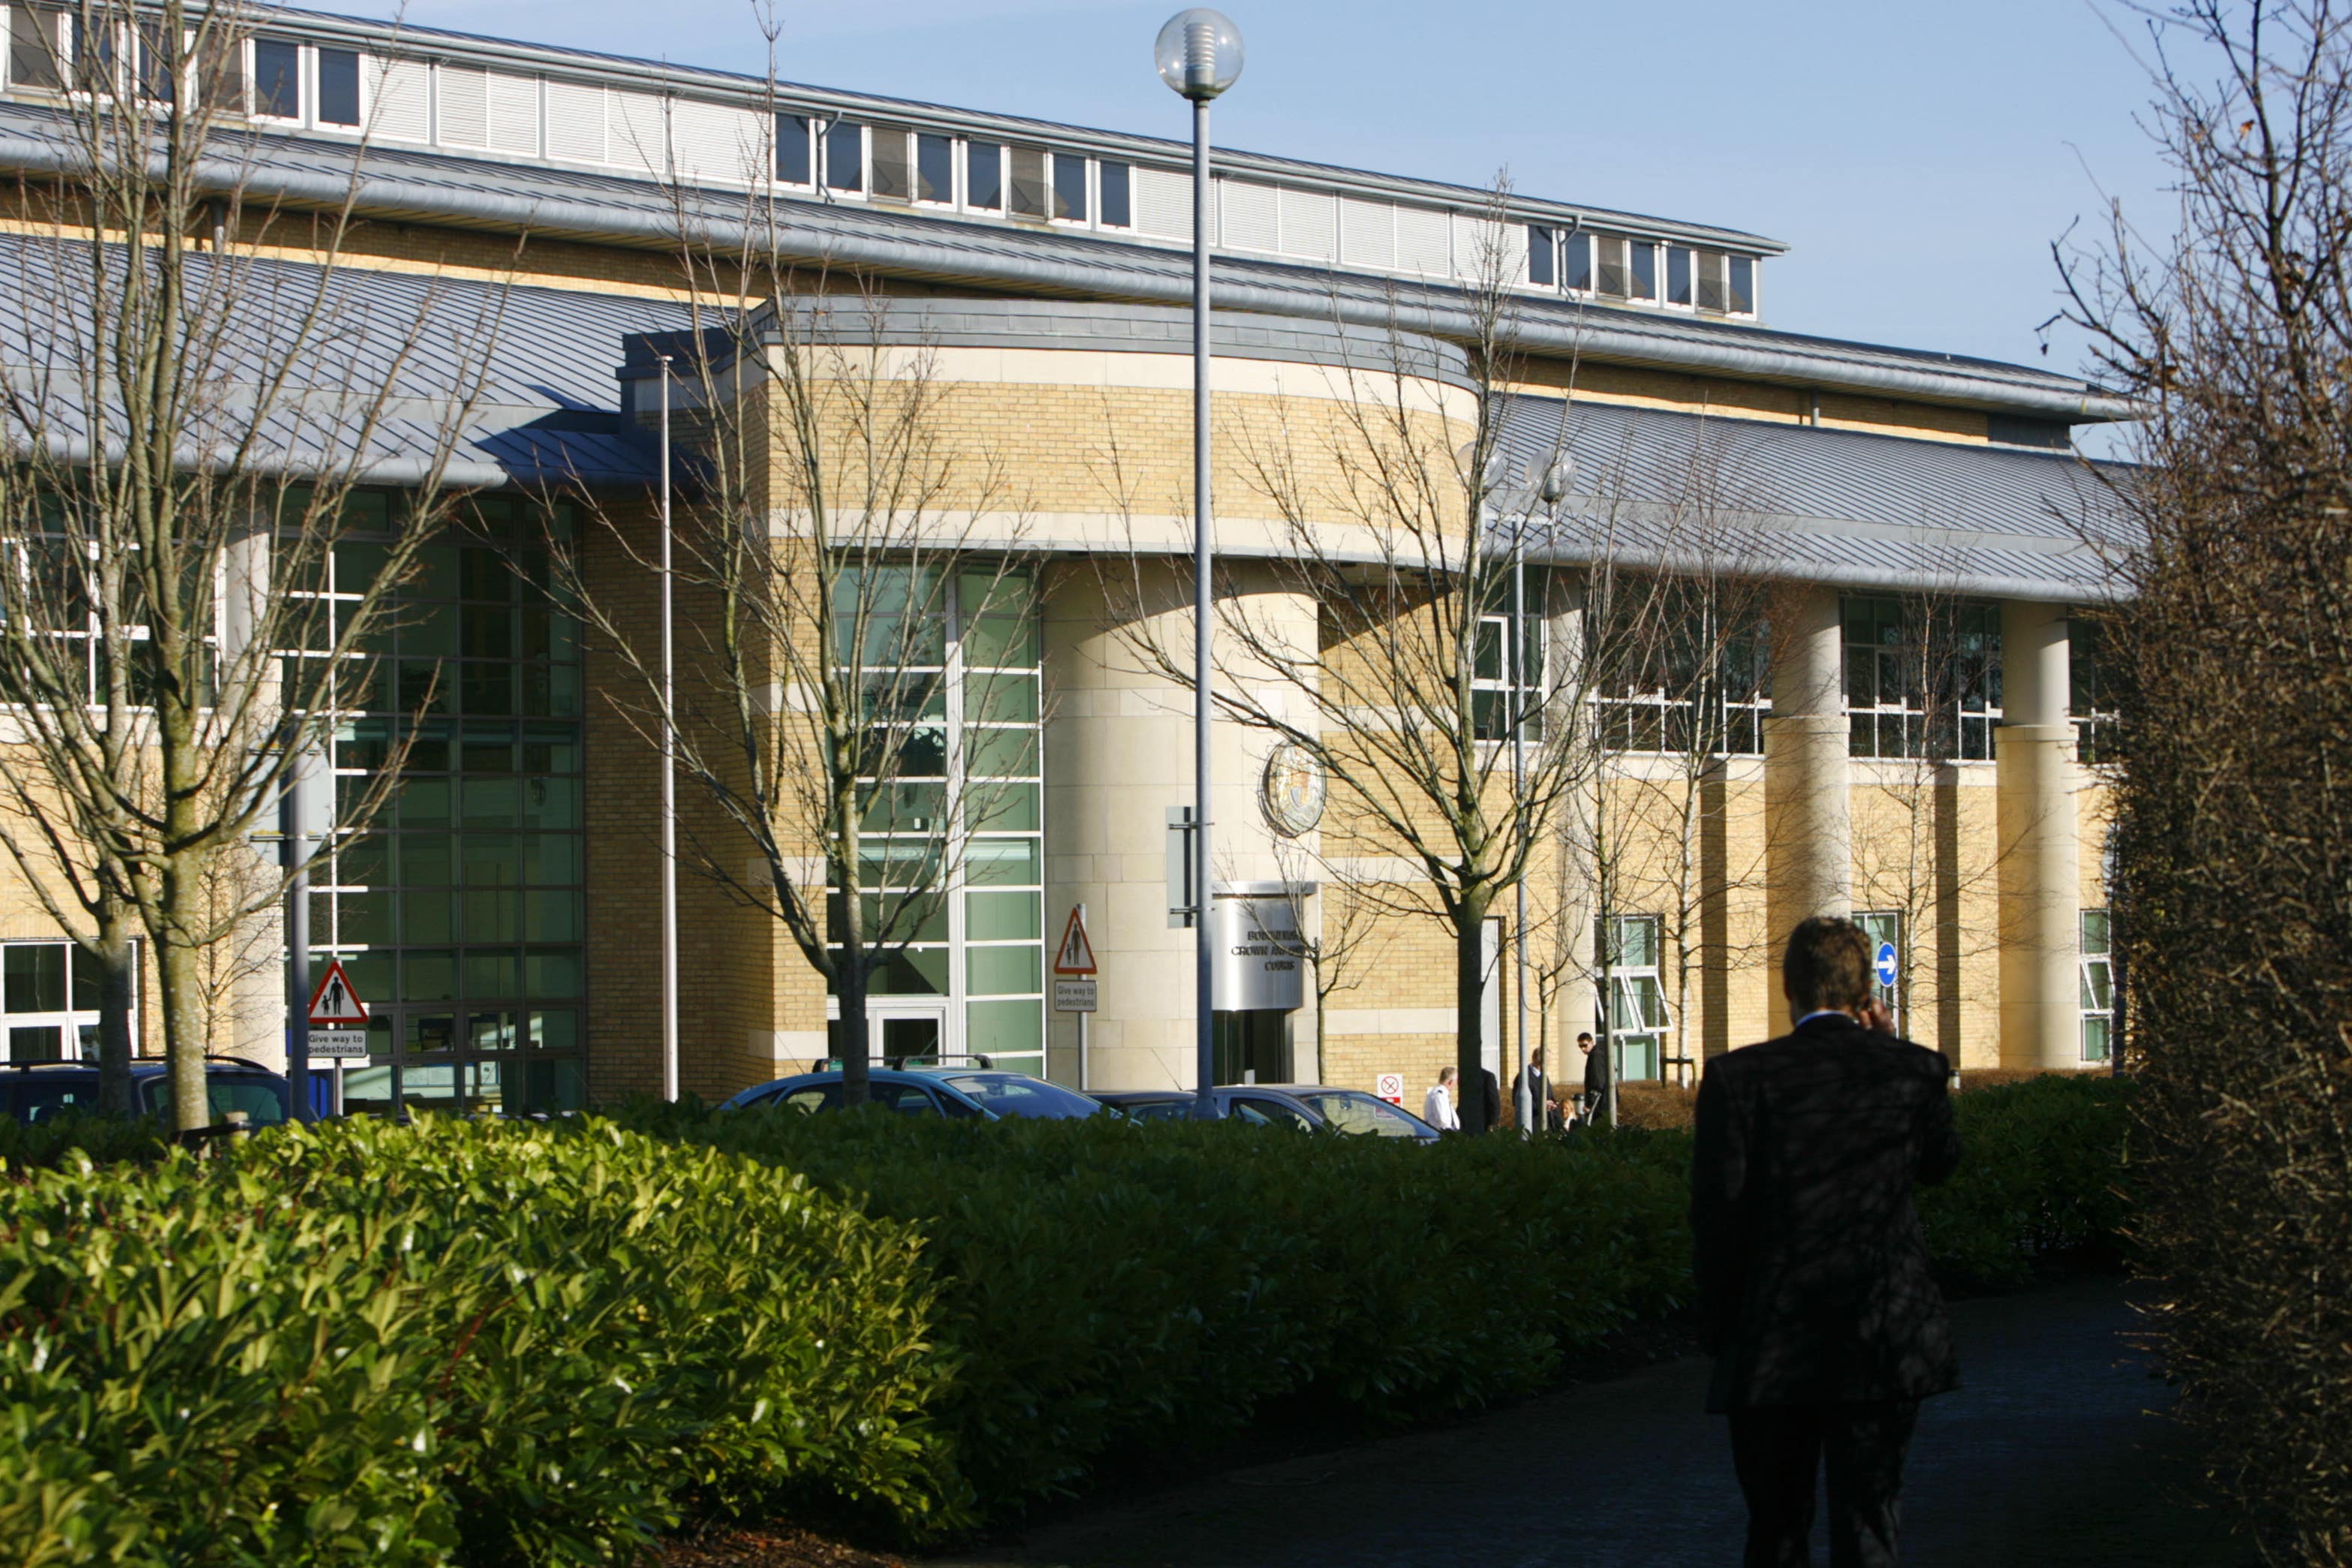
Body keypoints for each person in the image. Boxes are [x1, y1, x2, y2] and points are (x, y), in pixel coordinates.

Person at [1691, 915, 1962, 1568]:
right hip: (1882, 1333)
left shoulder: (1738, 1079)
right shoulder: (1913, 1071)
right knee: (1870, 1523)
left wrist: (1721, 1327)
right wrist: (1895, 1049)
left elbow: (1717, 1216)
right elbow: (1939, 1164)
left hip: (1774, 1335)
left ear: (1787, 984)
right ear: (1865, 992)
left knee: (1777, 1528)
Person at [1513, 1046, 1560, 1132]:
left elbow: (1551, 1097)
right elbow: (1518, 1102)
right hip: (1532, 1125)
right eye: (1547, 1059)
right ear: (1536, 1059)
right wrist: (1542, 1105)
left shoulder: (1544, 1077)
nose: (1549, 1062)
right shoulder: (1523, 1077)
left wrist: (1553, 1105)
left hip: (1547, 1123)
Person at [1422, 1065, 1461, 1132]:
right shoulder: (1439, 1095)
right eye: (1456, 1081)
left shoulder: (1442, 1094)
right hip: (1443, 1134)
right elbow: (1442, 1120)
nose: (1456, 1084)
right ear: (1451, 1082)